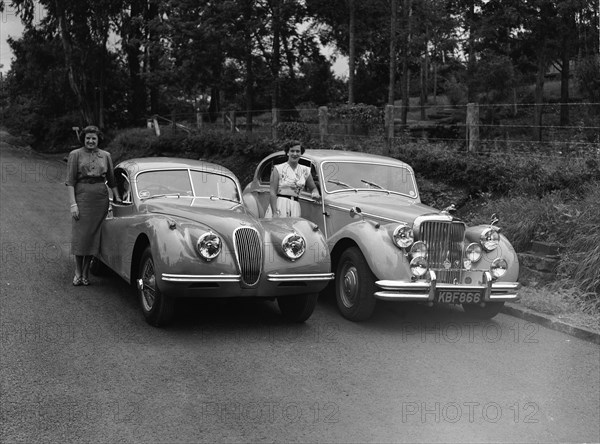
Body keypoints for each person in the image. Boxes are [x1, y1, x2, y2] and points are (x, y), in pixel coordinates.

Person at [65, 125, 120, 286]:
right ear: (83, 139)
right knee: (81, 235)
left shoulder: (106, 156)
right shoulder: (75, 154)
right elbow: (70, 181)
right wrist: (73, 204)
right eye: (88, 138)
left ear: (98, 140)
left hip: (100, 198)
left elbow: (111, 180)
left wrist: (117, 198)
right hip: (82, 196)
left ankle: (86, 272)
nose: (90, 141)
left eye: (93, 138)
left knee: (93, 236)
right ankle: (77, 271)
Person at [266, 140, 320, 218]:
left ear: (301, 153)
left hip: (295, 205)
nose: (295, 154)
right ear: (288, 153)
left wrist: (315, 192)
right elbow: (272, 192)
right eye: (292, 151)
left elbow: (313, 188)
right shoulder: (278, 168)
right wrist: (274, 212)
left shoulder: (305, 170)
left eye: (298, 151)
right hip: (280, 205)